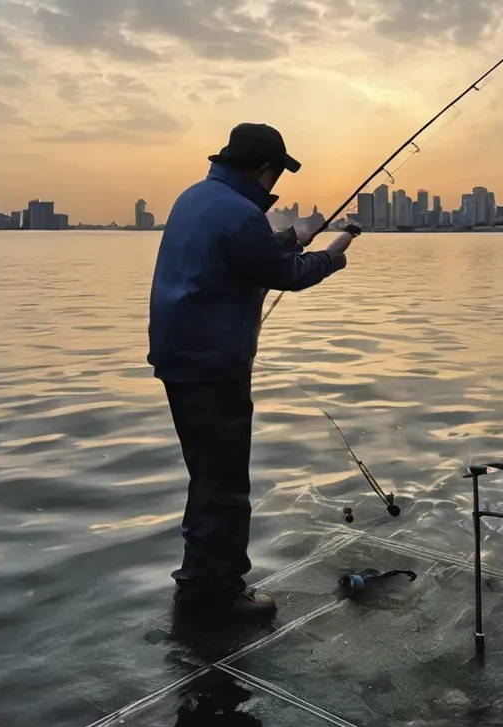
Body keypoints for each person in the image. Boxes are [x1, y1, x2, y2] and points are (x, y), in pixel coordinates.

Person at [148, 123, 354, 621]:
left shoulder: (195, 198)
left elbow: (242, 252)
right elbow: (289, 274)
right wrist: (336, 251)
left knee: (207, 478)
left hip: (179, 360)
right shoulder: (241, 214)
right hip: (215, 367)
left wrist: (289, 236)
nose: (273, 186)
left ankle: (197, 582)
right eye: (276, 175)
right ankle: (219, 595)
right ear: (264, 170)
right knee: (225, 486)